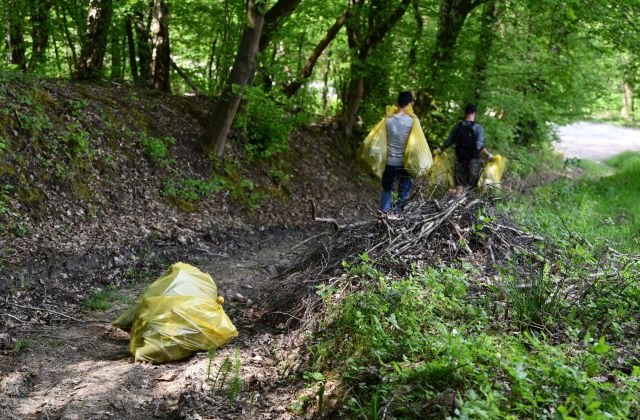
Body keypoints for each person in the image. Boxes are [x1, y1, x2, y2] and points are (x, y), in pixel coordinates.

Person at [436, 103, 493, 194]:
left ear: (465, 113)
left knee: (459, 185)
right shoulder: (478, 128)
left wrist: (440, 150)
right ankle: (468, 206)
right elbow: (479, 146)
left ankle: (457, 203)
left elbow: (448, 142)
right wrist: (488, 155)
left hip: (459, 159)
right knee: (472, 187)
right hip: (473, 161)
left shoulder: (458, 127)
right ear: (474, 113)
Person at [379, 91, 416, 212]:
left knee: (387, 189)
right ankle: (399, 217)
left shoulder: (388, 120)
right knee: (404, 192)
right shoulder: (412, 122)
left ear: (397, 102)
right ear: (410, 104)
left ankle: (383, 217)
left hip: (389, 162)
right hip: (405, 164)